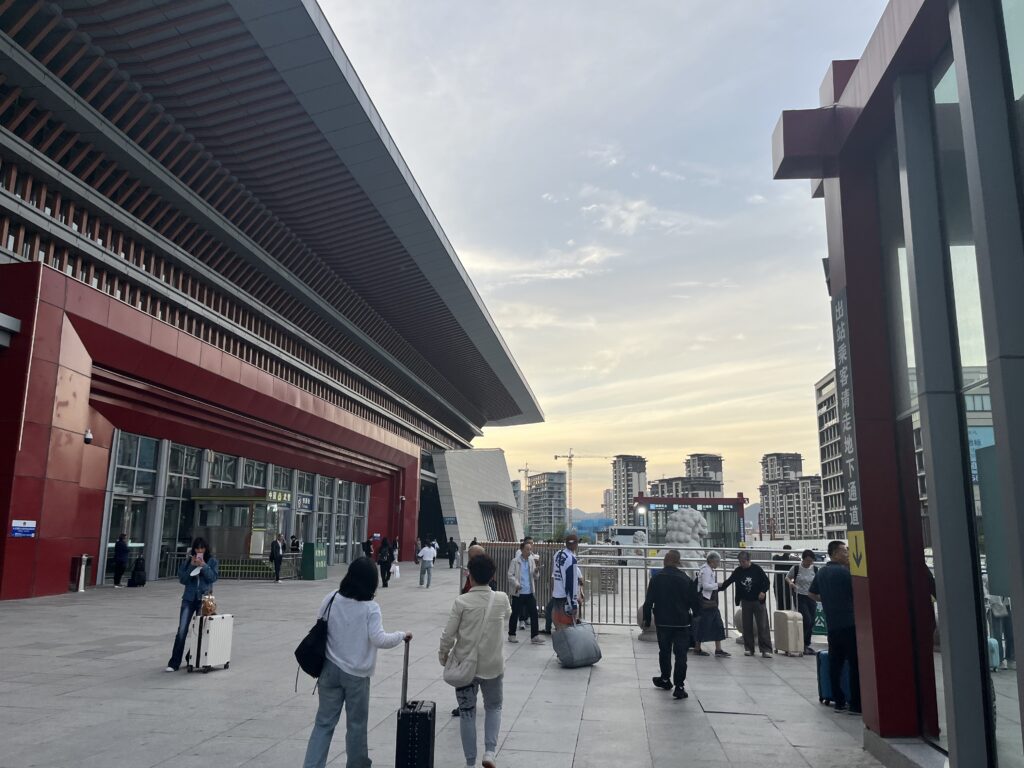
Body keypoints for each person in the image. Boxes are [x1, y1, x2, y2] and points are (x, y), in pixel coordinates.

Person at [302, 557, 410, 768]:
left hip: (329, 670)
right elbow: (379, 639)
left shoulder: (331, 598)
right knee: (356, 726)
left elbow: (320, 622)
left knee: (323, 724)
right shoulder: (370, 608)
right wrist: (402, 635)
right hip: (357, 676)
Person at [439, 554, 512, 768]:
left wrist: (443, 656)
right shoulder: (501, 598)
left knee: (467, 713)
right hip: (493, 665)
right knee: (494, 707)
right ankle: (490, 752)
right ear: (492, 576)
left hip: (465, 668)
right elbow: (508, 615)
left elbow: (448, 634)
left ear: (469, 576)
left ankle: (470, 762)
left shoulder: (461, 601)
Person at [809, 540, 862, 714]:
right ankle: (856, 704)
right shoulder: (845, 573)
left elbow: (811, 593)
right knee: (855, 663)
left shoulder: (822, 572)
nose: (847, 554)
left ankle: (838, 701)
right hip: (849, 623)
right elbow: (857, 595)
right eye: (845, 552)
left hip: (832, 624)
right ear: (836, 553)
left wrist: (827, 601)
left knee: (835, 662)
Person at [643, 550, 702, 699]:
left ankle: (665, 678)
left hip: (662, 622)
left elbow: (649, 601)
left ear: (665, 561)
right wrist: (696, 615)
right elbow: (694, 601)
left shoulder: (656, 578)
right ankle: (679, 686)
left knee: (664, 651)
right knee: (681, 655)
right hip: (681, 622)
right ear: (678, 562)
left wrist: (646, 619)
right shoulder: (685, 579)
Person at [164, 537, 218, 672]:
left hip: (204, 599)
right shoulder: (188, 561)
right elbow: (182, 579)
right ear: (194, 549)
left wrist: (204, 566)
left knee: (200, 630)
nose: (199, 550)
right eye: (197, 548)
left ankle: (192, 657)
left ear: (206, 549)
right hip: (188, 598)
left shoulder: (212, 561)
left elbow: (213, 577)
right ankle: (174, 662)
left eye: (202, 548)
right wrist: (192, 567)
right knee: (182, 630)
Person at [720, 550, 772, 657]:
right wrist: (717, 587)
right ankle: (749, 648)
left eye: (743, 562)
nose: (742, 564)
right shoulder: (738, 571)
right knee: (746, 625)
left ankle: (766, 649)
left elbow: (766, 582)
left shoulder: (757, 569)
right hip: (746, 601)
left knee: (762, 625)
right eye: (740, 562)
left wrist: (763, 591)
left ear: (749, 560)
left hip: (758, 601)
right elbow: (728, 582)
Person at [694, 551, 730, 657]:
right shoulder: (706, 570)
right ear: (711, 561)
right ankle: (698, 648)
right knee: (705, 624)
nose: (718, 563)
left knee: (717, 624)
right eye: (717, 561)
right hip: (706, 602)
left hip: (710, 602)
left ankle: (718, 649)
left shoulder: (708, 569)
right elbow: (705, 586)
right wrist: (718, 585)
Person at [507, 540, 543, 644]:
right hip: (519, 592)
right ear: (522, 550)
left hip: (529, 592)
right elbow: (510, 575)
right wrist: (516, 584)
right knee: (515, 614)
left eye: (530, 549)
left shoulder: (531, 560)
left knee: (534, 614)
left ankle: (535, 636)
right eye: (527, 549)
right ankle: (511, 635)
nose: (529, 551)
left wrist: (536, 572)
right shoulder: (515, 561)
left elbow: (535, 577)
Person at [548, 532, 584, 632]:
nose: (577, 545)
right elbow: (570, 583)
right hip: (565, 598)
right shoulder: (571, 559)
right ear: (573, 544)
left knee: (558, 625)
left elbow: (555, 575)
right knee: (567, 629)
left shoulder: (557, 554)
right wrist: (573, 604)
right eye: (577, 543)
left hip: (556, 595)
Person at [786, 549, 819, 654]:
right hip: (799, 596)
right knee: (807, 619)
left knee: (812, 621)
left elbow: (818, 582)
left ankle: (806, 644)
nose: (809, 562)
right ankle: (801, 643)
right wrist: (791, 584)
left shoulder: (815, 569)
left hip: (811, 596)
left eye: (811, 560)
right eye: (807, 560)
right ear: (803, 559)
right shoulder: (796, 568)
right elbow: (787, 577)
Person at [773, 545, 796, 610]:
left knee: (779, 604)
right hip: (787, 585)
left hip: (778, 584)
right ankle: (786, 618)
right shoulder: (791, 561)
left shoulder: (777, 558)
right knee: (787, 605)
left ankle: (780, 618)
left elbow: (774, 557)